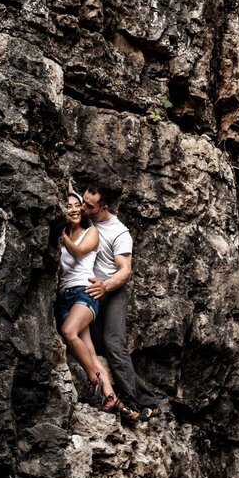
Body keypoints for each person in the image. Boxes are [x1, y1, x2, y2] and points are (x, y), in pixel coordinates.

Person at [82, 181, 160, 423]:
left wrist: (104, 286)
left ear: (103, 207)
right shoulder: (85, 216)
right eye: (83, 202)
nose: (84, 208)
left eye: (90, 206)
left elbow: (125, 271)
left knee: (114, 345)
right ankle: (148, 401)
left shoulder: (119, 232)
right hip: (90, 293)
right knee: (96, 347)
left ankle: (132, 402)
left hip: (111, 292)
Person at [55, 190, 120, 413]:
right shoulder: (63, 239)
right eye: (68, 206)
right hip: (65, 297)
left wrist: (60, 233)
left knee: (68, 332)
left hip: (85, 292)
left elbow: (79, 252)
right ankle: (111, 397)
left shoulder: (91, 233)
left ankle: (92, 379)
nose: (72, 209)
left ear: (82, 210)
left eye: (76, 205)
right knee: (88, 351)